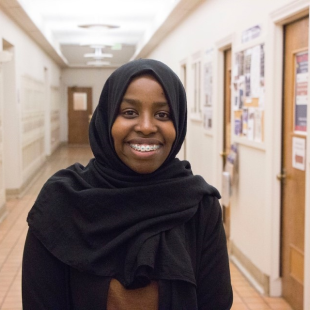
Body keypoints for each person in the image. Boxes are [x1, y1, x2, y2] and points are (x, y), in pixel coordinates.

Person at [22, 59, 233, 309]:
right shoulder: (62, 202)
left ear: (178, 123)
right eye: (129, 112)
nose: (146, 127)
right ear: (107, 119)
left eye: (162, 114)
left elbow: (215, 302)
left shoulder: (200, 206)